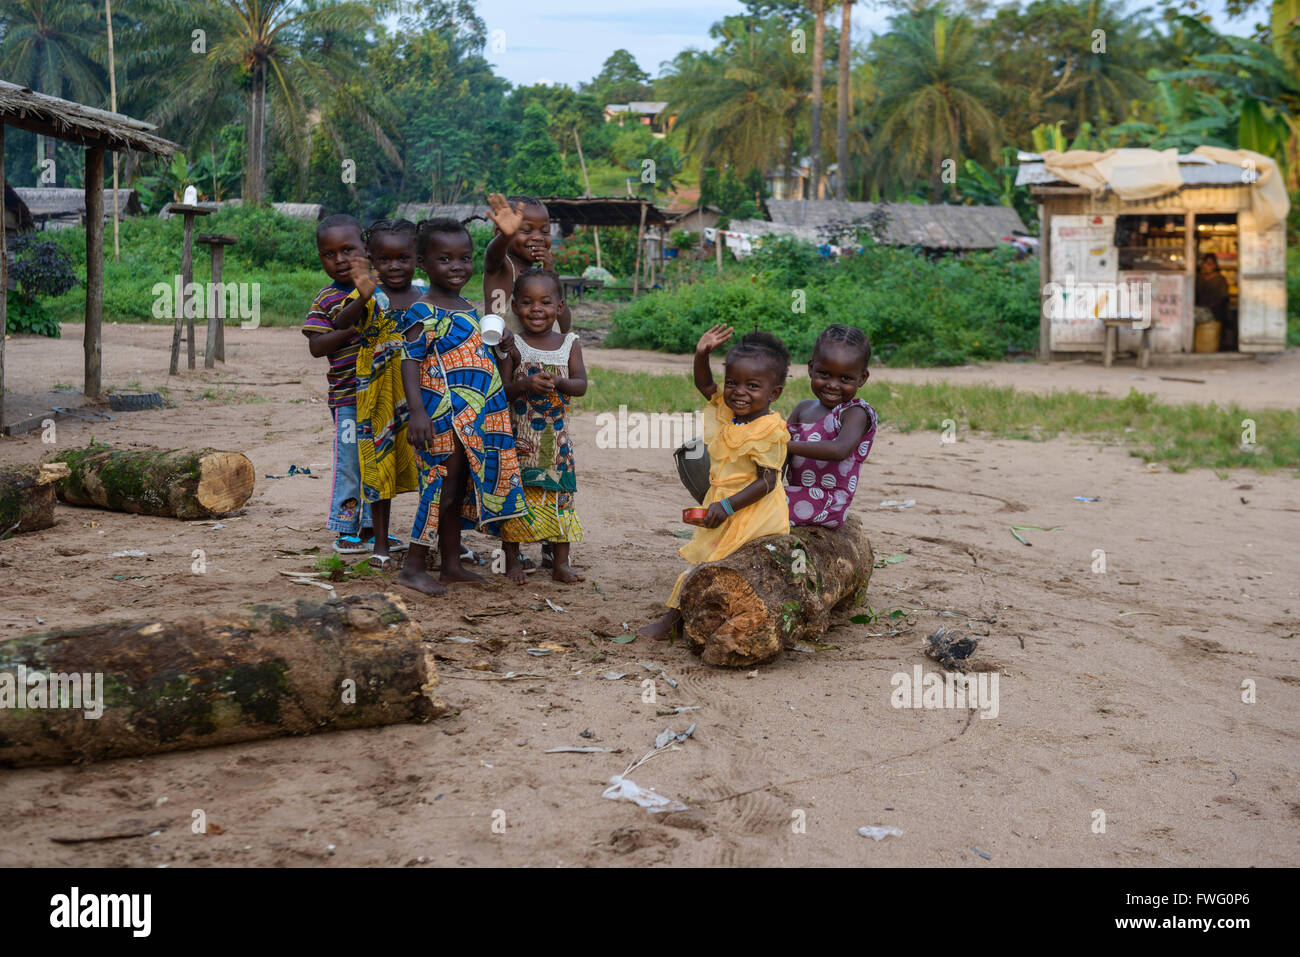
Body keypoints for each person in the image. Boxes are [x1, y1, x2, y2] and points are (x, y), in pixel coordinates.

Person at [396, 218, 526, 596]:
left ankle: (451, 564)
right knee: (437, 488)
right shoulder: (422, 312)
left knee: (457, 490)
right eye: (445, 259)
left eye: (464, 258)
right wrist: (417, 413)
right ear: (423, 262)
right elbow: (410, 361)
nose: (457, 267)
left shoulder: (470, 310)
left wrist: (506, 348)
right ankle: (414, 565)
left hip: (474, 419)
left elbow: (487, 368)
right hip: (440, 419)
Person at [639, 325, 792, 639]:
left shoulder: (769, 429)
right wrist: (701, 354)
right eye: (733, 382)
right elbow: (705, 383)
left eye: (753, 386)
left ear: (773, 392)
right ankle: (681, 620)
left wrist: (726, 505)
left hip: (752, 511)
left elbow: (767, 482)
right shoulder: (730, 411)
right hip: (723, 503)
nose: (739, 392)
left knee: (713, 563)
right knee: (706, 561)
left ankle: (675, 622)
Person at [334, 219, 423, 567]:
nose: (394, 266)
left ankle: (431, 539)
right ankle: (381, 545)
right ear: (371, 258)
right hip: (377, 399)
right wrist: (363, 297)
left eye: (403, 257)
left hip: (421, 399)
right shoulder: (369, 294)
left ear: (417, 257)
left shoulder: (424, 297)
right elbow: (342, 323)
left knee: (430, 470)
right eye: (385, 259)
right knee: (379, 471)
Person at [498, 271, 587, 584]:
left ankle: (561, 563)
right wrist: (525, 384)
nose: (536, 309)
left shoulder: (569, 343)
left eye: (545, 302)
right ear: (516, 306)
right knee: (517, 498)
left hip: (557, 444)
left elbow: (581, 385)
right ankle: (512, 562)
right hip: (520, 441)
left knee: (561, 499)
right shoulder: (514, 345)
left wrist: (559, 381)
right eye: (527, 302)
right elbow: (502, 390)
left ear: (559, 306)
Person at [302, 213, 375, 555]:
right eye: (329, 254)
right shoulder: (326, 299)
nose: (339, 260)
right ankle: (347, 527)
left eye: (348, 250)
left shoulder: (383, 289)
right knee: (350, 462)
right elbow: (317, 347)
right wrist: (347, 332)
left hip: (383, 399)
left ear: (365, 248)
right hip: (347, 399)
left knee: (379, 462)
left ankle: (376, 527)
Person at [785, 325, 878, 529]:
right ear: (811, 368)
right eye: (824, 374)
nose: (833, 384)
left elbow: (839, 449)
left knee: (764, 508)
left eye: (845, 378)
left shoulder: (855, 413)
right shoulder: (803, 408)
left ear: (862, 378)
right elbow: (780, 457)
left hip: (829, 503)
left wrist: (786, 445)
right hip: (797, 494)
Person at [483, 193, 572, 335]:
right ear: (499, 232)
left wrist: (551, 275)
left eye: (545, 231)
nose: (537, 237)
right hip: (504, 355)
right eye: (526, 230)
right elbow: (492, 256)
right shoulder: (501, 268)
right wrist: (505, 237)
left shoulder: (544, 275)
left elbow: (564, 326)